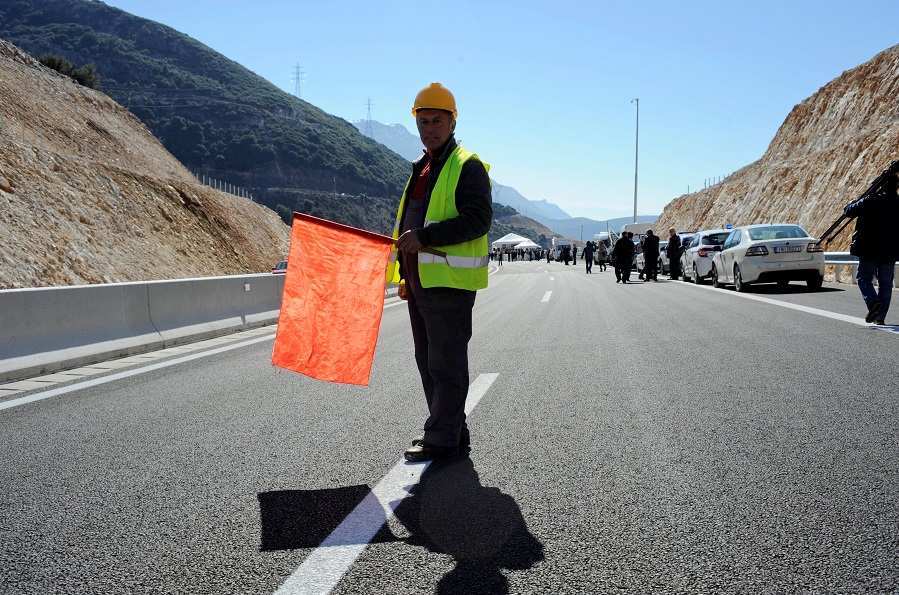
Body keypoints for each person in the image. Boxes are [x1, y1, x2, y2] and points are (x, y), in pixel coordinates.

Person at [388, 82, 493, 461]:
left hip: (448, 280)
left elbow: (478, 220)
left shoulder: (467, 166)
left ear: (452, 123)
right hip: (420, 283)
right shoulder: (422, 169)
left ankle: (441, 438)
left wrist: (426, 236)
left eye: (437, 120)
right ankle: (450, 431)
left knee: (444, 362)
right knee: (427, 359)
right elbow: (407, 227)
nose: (429, 128)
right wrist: (404, 276)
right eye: (423, 120)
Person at [842, 172, 899, 324]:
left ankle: (873, 302)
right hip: (891, 250)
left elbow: (848, 211)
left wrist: (862, 197)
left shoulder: (871, 200)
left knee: (864, 278)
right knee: (885, 283)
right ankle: (880, 317)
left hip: (869, 249)